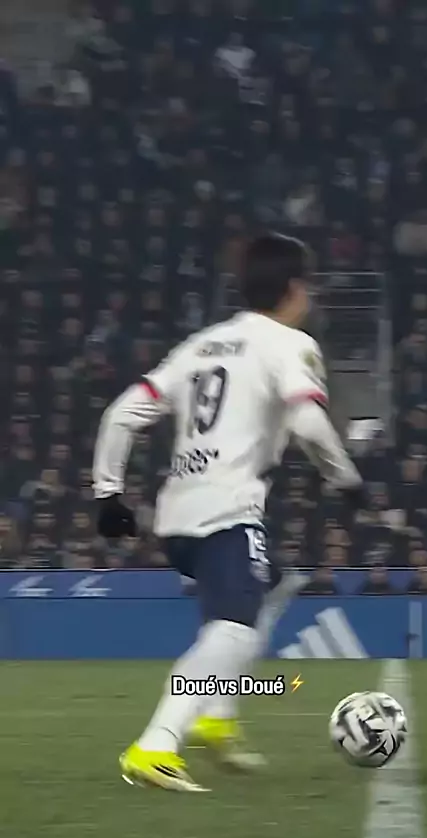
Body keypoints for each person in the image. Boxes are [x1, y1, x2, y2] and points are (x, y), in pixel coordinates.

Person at [93, 232, 363, 793]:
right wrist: (346, 479)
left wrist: (108, 495)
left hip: (177, 514)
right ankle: (156, 745)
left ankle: (216, 716)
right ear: (295, 289)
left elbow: (121, 413)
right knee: (235, 629)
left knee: (267, 591)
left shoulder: (200, 345)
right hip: (227, 507)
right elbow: (308, 422)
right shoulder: (289, 344)